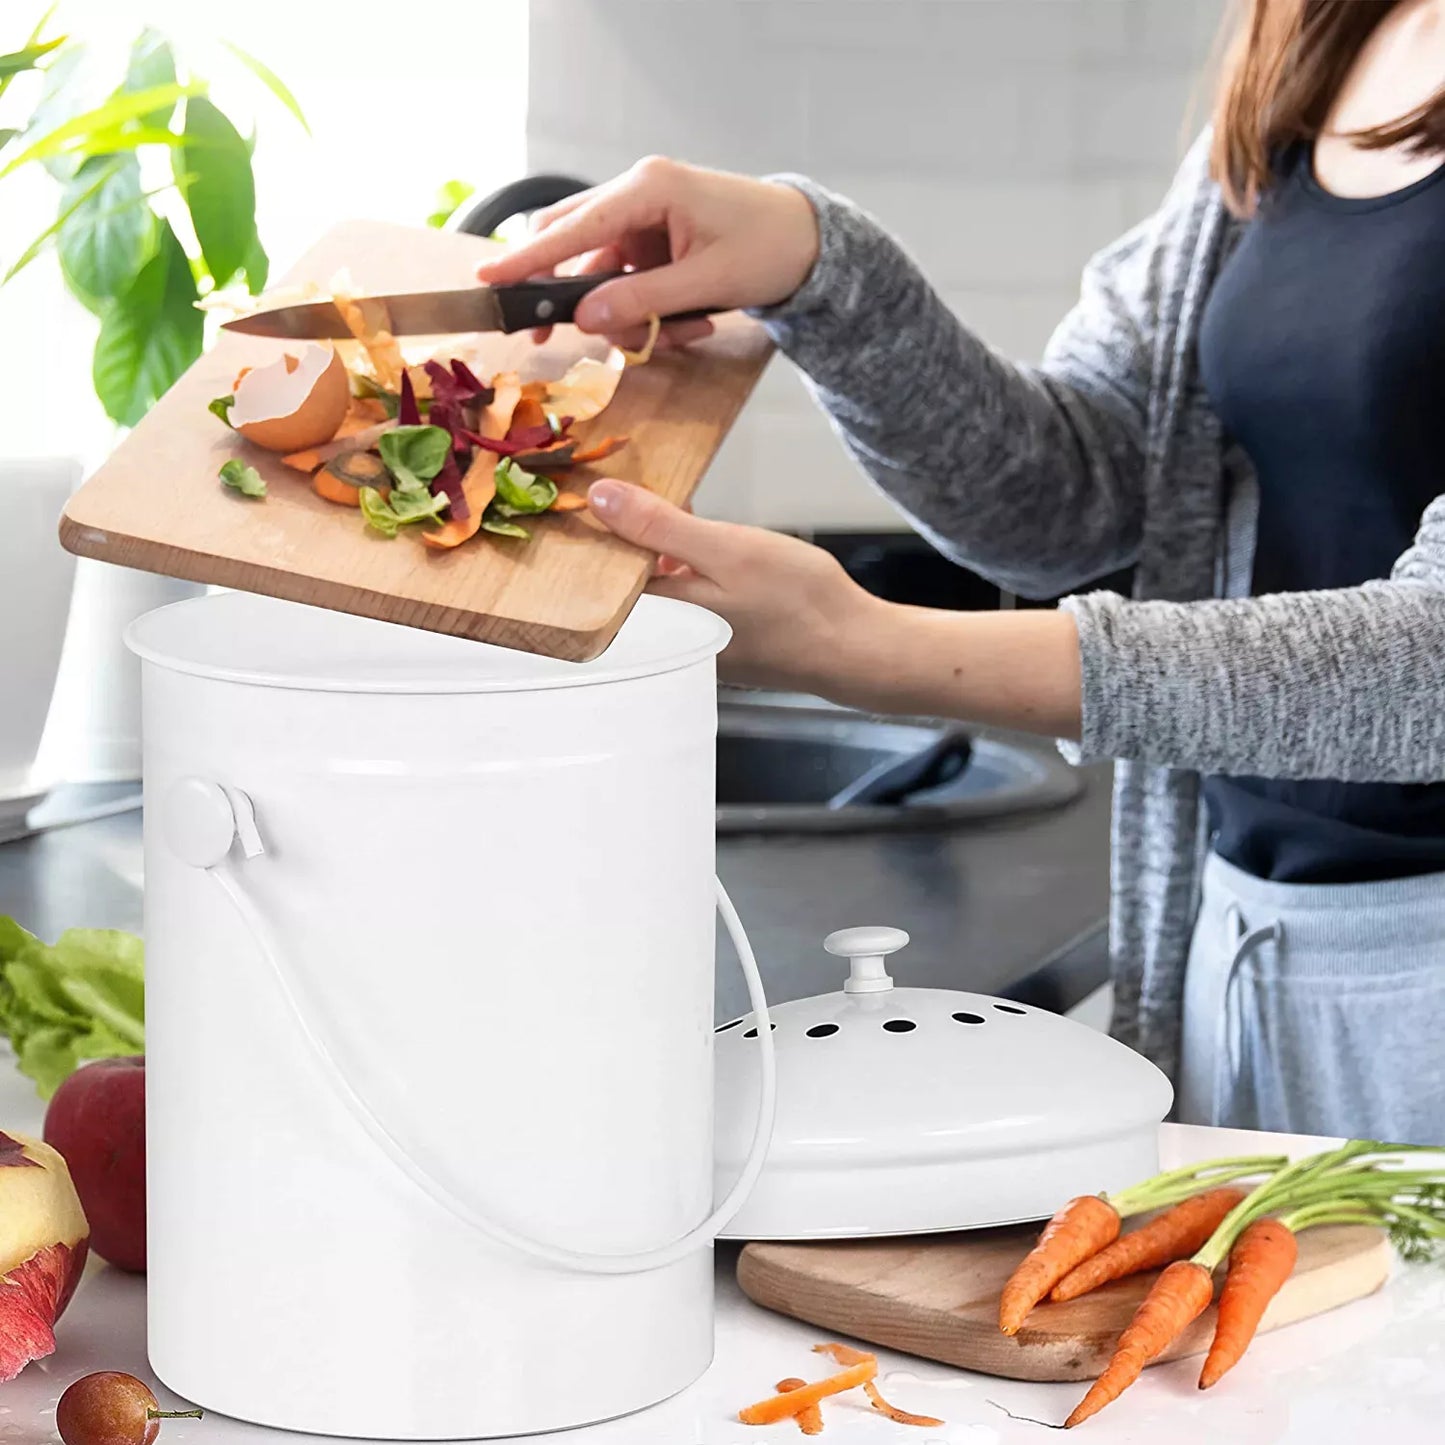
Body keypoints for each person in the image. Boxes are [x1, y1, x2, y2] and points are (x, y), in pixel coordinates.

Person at [478, 0, 1445, 1146]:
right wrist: (817, 267)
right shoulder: (1315, 42)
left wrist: (869, 648)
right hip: (1239, 934)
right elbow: (1073, 494)